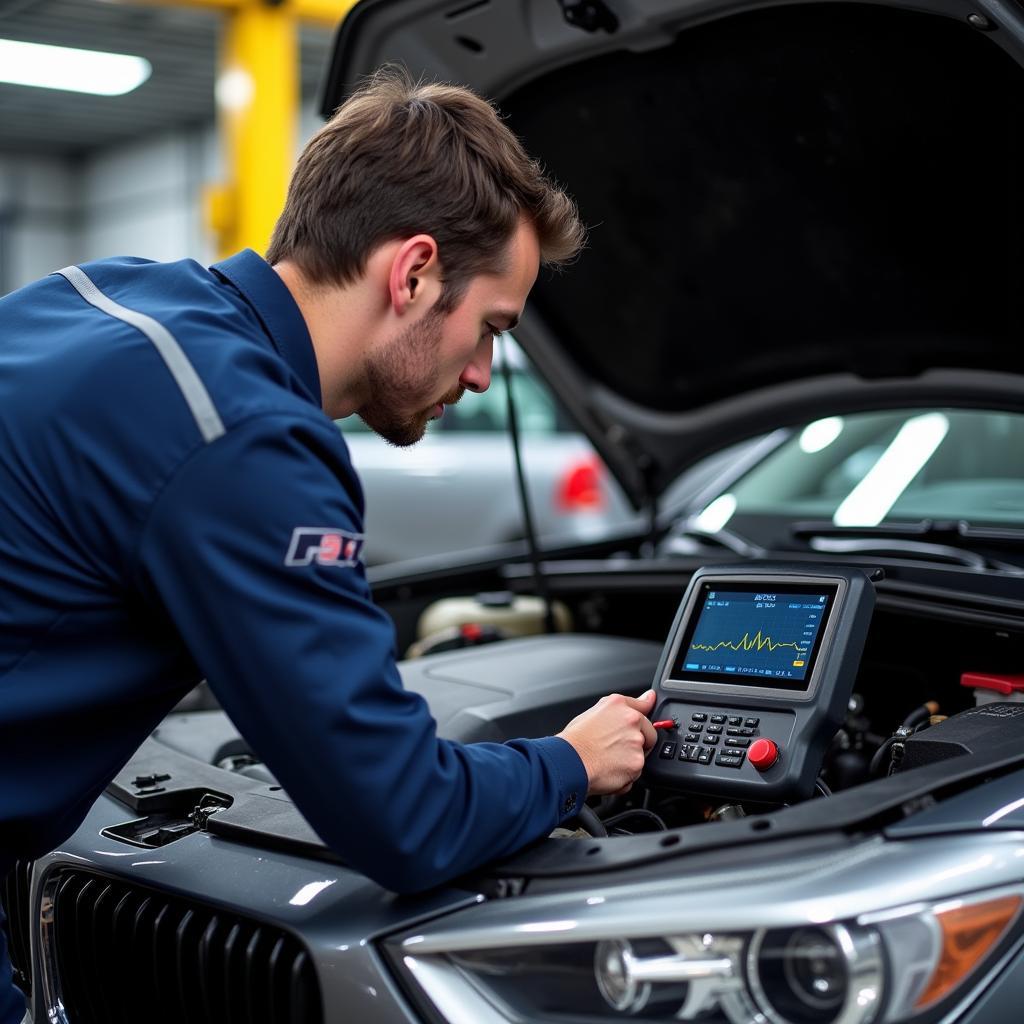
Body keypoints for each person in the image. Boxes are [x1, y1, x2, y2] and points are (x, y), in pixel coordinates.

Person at [0, 68, 657, 1024]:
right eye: (490, 331)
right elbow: (405, 817)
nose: (480, 375)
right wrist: (568, 760)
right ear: (415, 272)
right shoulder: (244, 434)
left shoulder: (92, 296)